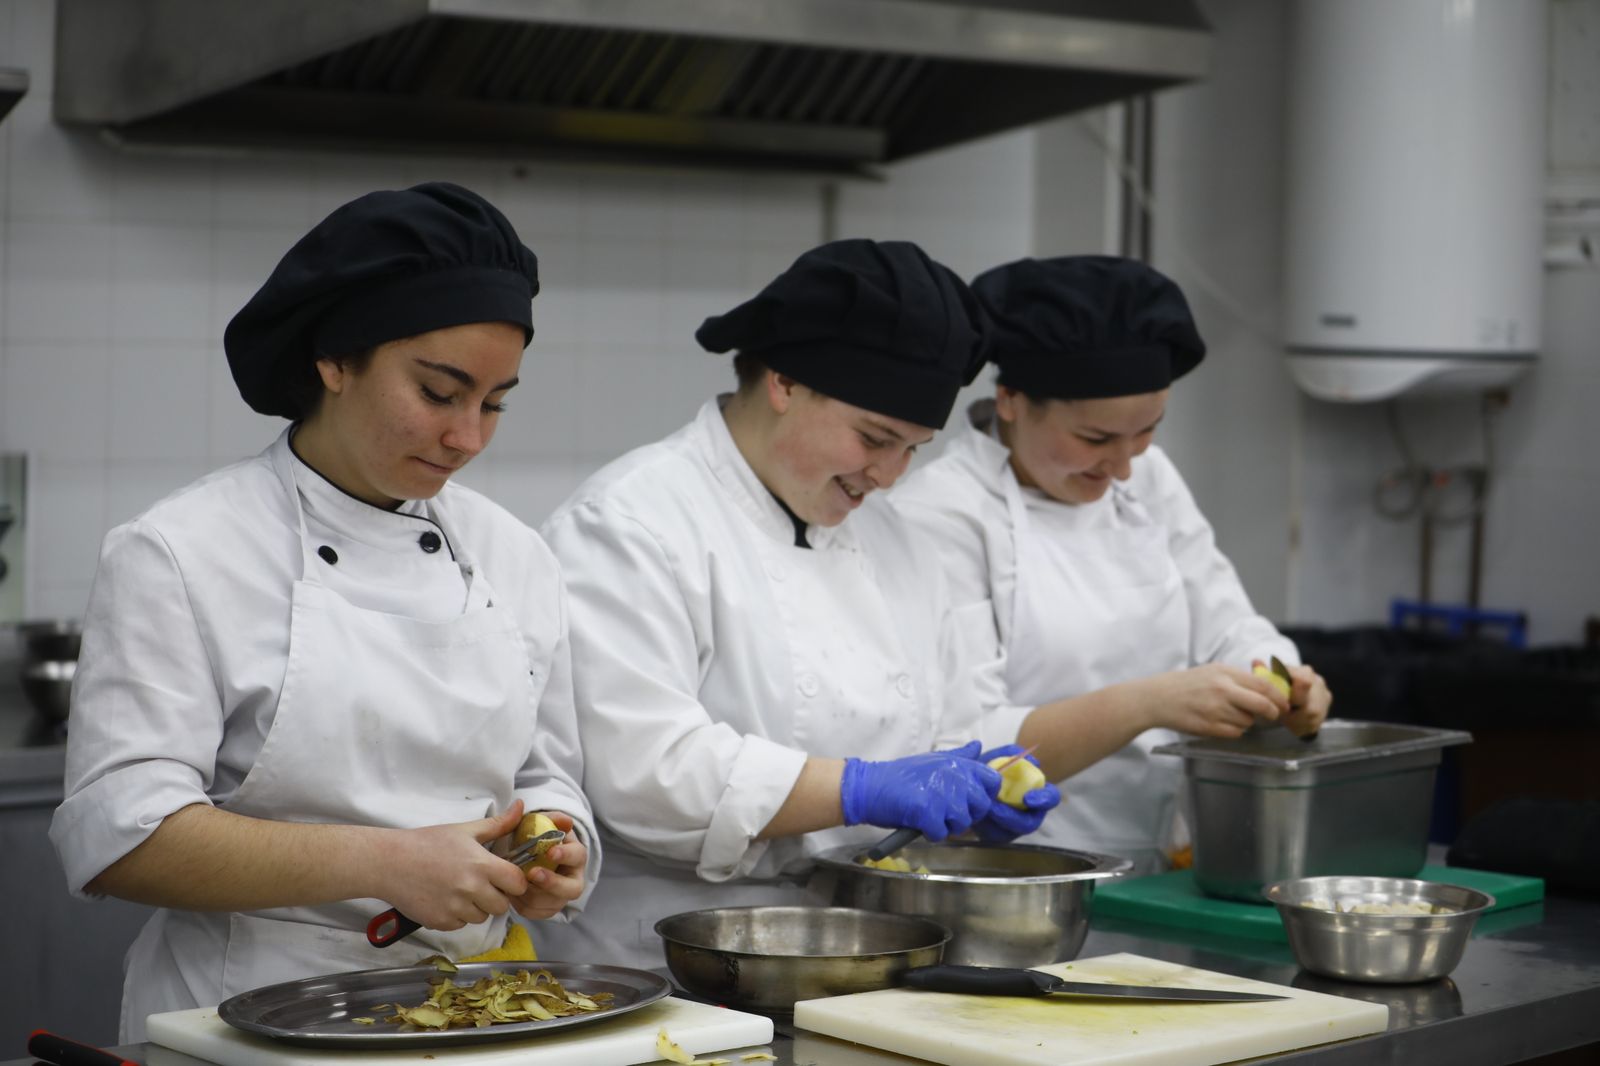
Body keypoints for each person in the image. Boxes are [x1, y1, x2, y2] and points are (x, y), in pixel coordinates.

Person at [50, 183, 596, 1039]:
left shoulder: (513, 554)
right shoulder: (184, 550)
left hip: (474, 1015)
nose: (469, 439)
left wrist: (559, 840)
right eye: (439, 392)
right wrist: (386, 862)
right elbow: (123, 838)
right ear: (334, 361)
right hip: (241, 1018)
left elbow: (546, 774)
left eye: (494, 402)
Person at [534, 239, 1061, 968]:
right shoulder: (630, 523)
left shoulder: (901, 542)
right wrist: (859, 788)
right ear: (783, 381)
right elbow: (644, 772)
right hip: (666, 963)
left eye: (913, 448)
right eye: (874, 438)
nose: (888, 475)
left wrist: (975, 790)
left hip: (859, 950)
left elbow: (948, 724)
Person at [893, 256, 1331, 873]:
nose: (1124, 466)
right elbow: (967, 742)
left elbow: (1226, 620)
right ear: (1011, 399)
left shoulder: (1148, 479)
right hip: (1011, 872)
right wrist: (1146, 704)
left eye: (1147, 431)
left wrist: (1281, 678)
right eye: (1095, 440)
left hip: (1165, 858)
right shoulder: (942, 513)